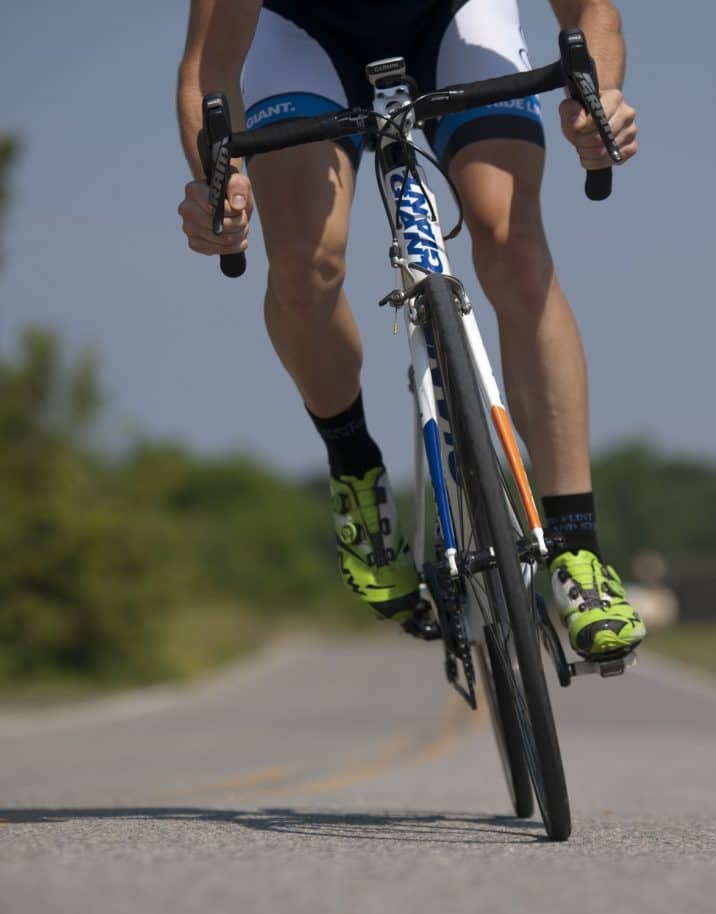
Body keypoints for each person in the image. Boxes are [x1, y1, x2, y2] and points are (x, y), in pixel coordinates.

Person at [177, 0, 644, 659]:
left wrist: (596, 98)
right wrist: (214, 185)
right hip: (303, 33)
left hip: (457, 16)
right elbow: (209, 66)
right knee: (303, 267)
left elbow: (591, 11)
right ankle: (356, 472)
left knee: (511, 240)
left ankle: (578, 550)